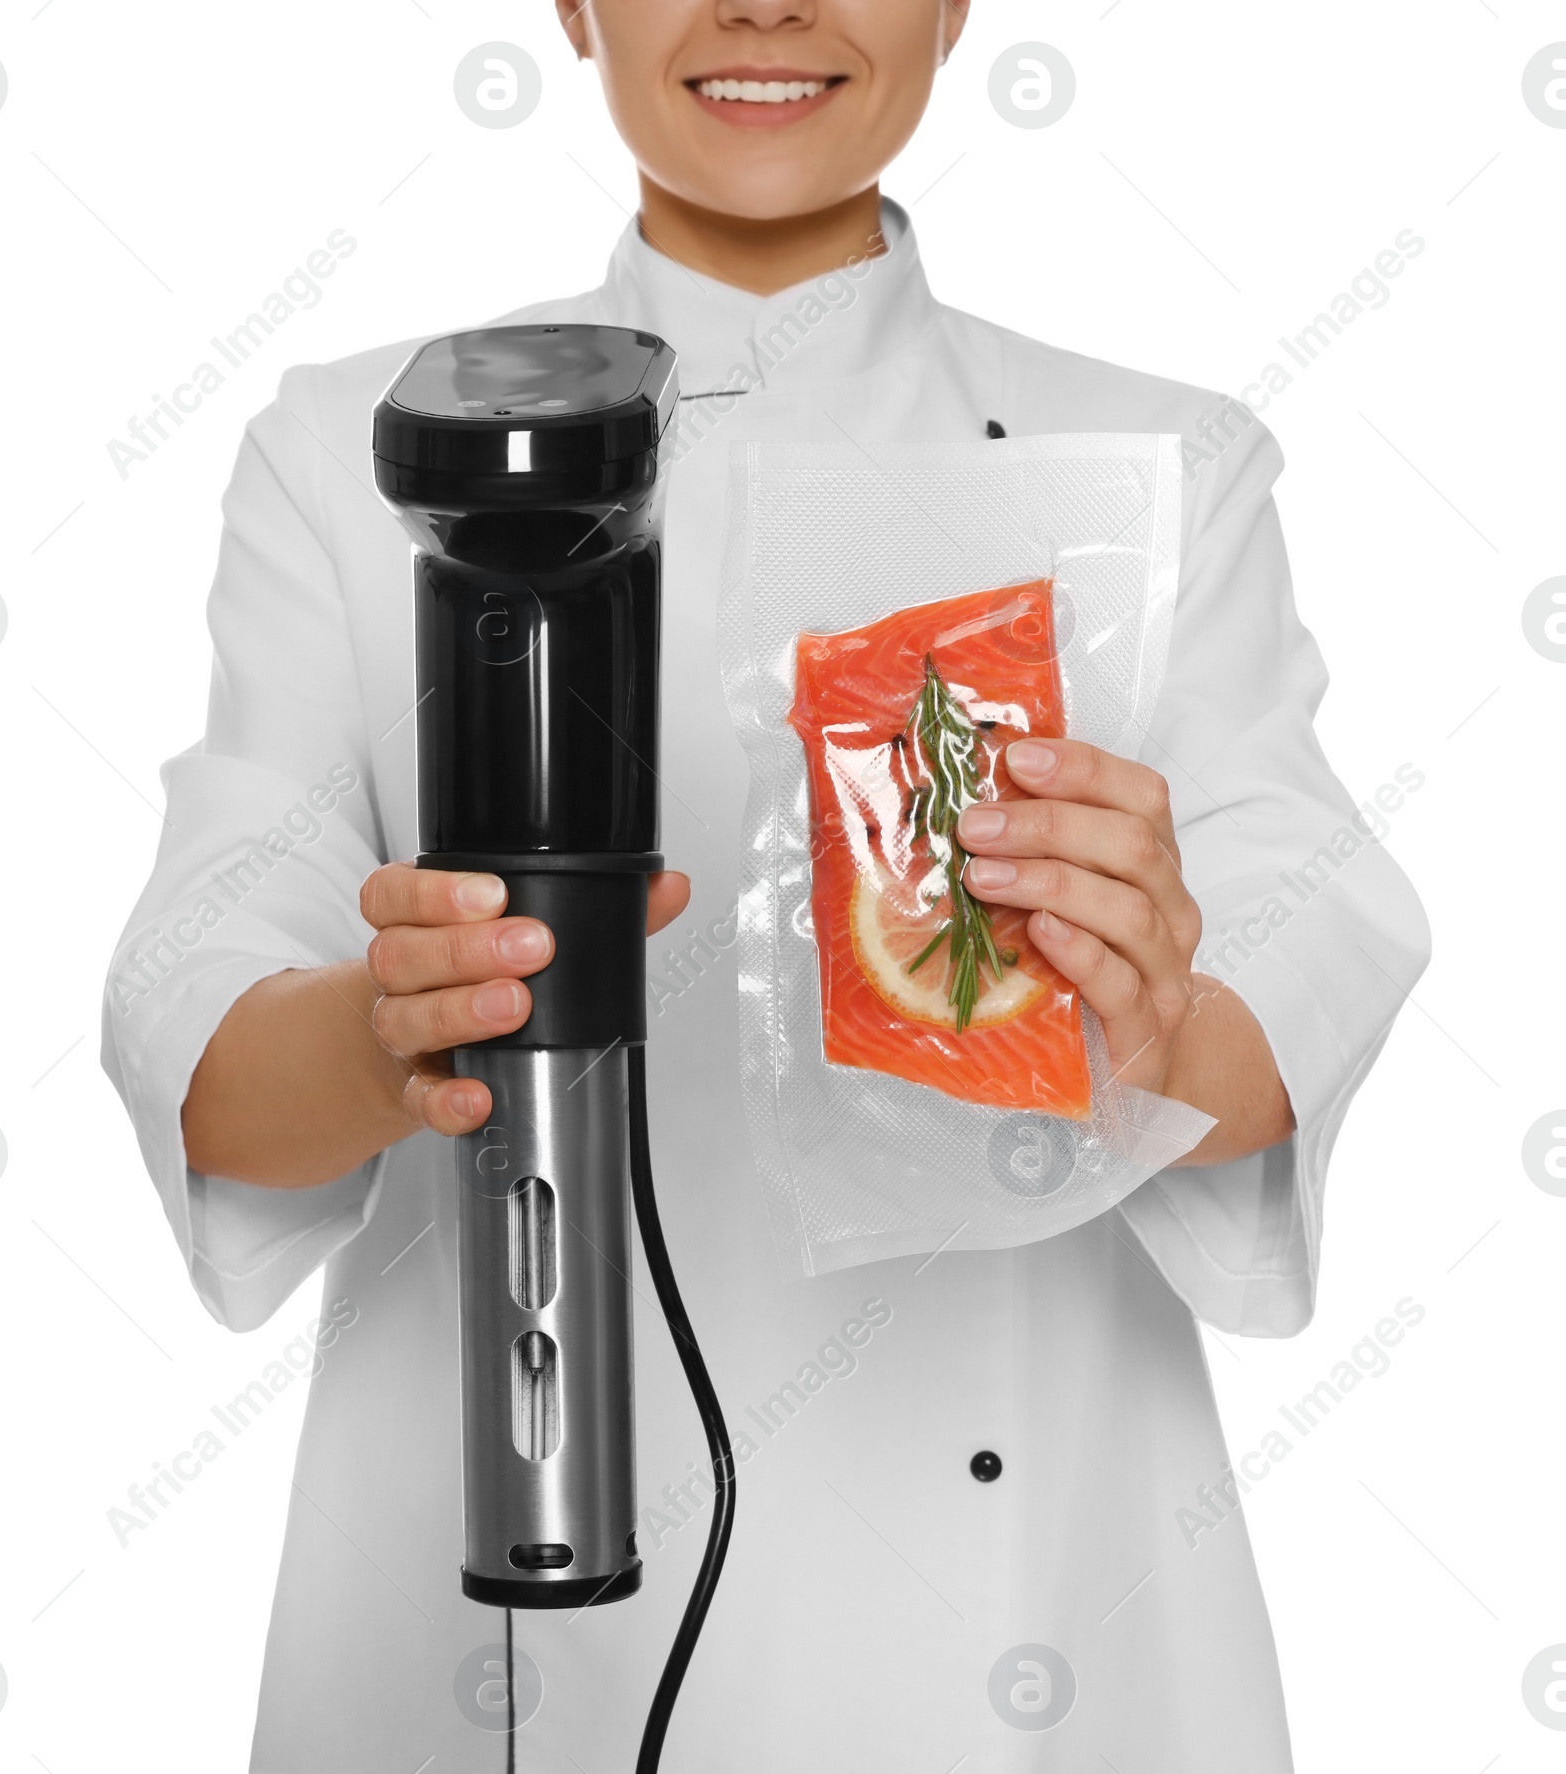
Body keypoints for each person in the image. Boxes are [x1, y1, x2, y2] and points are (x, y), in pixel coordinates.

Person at [101, 2, 1429, 1768]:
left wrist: (1161, 1003)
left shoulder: (1164, 469)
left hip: (1020, 1636)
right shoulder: (363, 454)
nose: (765, 6)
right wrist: (383, 1024)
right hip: (493, 1630)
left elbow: (1303, 949)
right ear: (569, 5)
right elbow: (195, 1024)